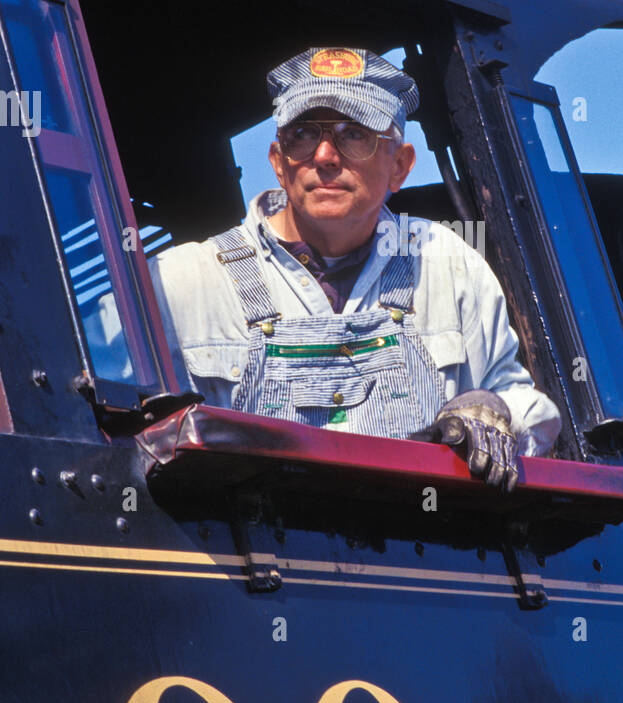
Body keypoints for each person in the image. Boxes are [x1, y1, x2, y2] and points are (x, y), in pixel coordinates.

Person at [148, 46, 561, 491]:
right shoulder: (179, 280)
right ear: (278, 163)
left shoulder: (447, 262)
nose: (324, 155)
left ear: (399, 167)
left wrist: (494, 411)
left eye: (354, 133)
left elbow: (520, 400)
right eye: (303, 134)